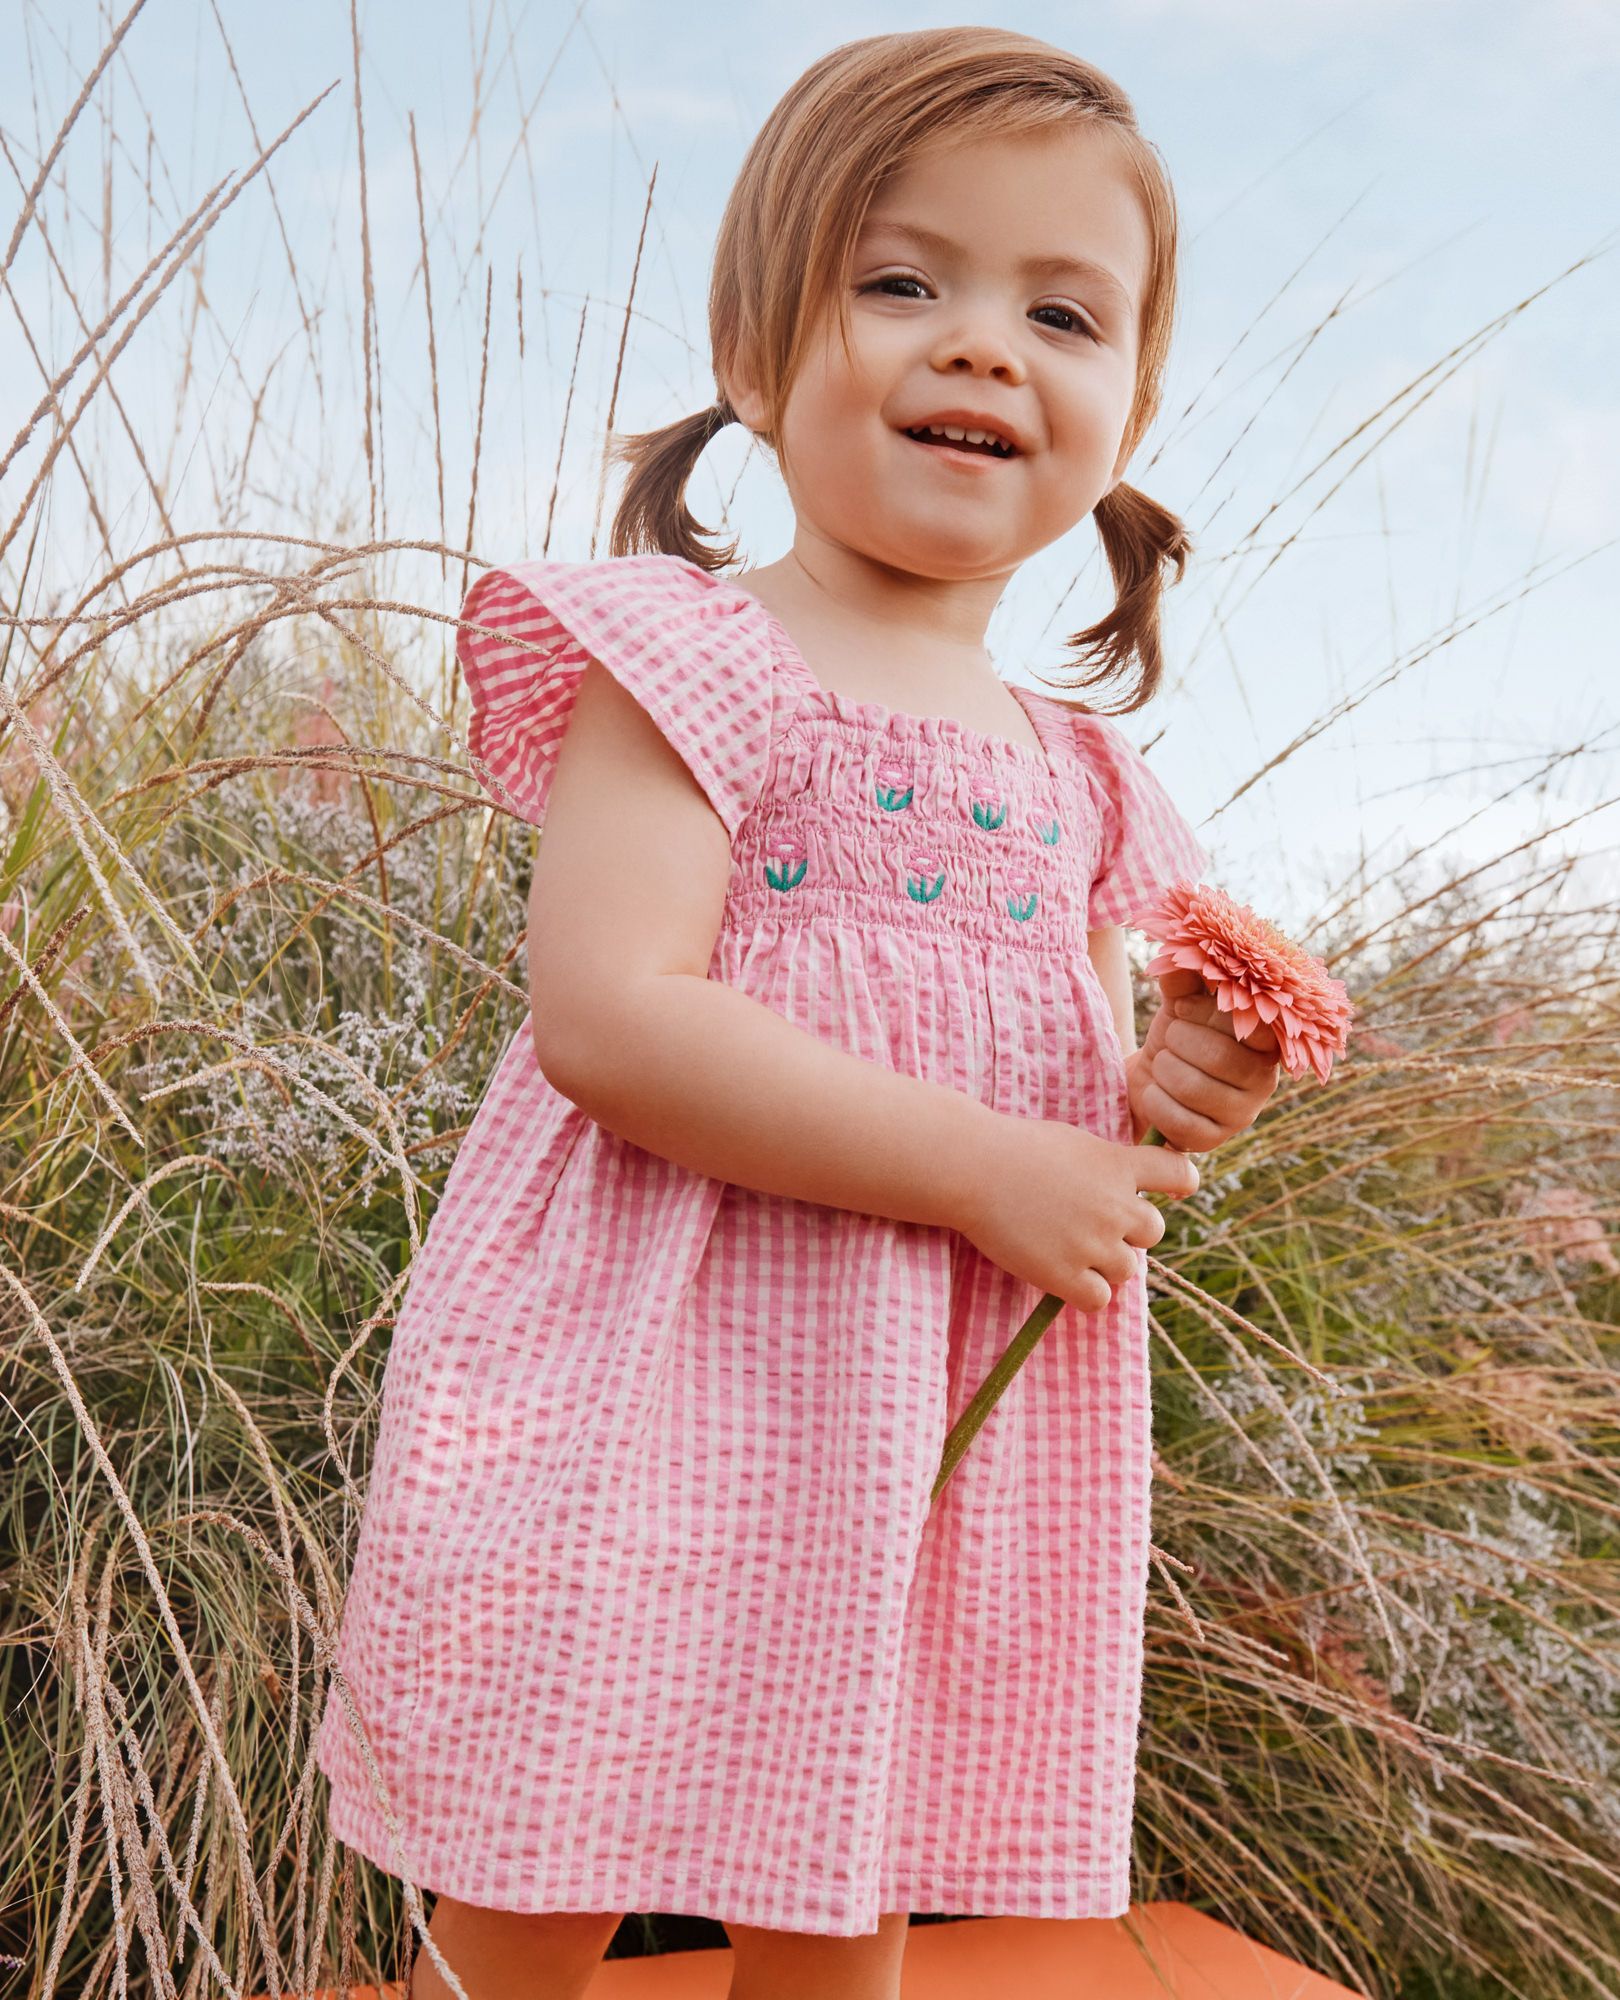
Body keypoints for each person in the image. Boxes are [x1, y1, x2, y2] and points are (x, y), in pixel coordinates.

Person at [314, 25, 1282, 2000]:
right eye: (901, 281)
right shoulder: (688, 655)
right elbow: (611, 1016)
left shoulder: (1081, 774)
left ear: (1131, 405)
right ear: (760, 350)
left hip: (916, 1423)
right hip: (651, 1376)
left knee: (846, 1877)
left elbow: (1085, 1108)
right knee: (539, 1852)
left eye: (1061, 312)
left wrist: (1178, 1090)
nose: (983, 345)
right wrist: (995, 1165)